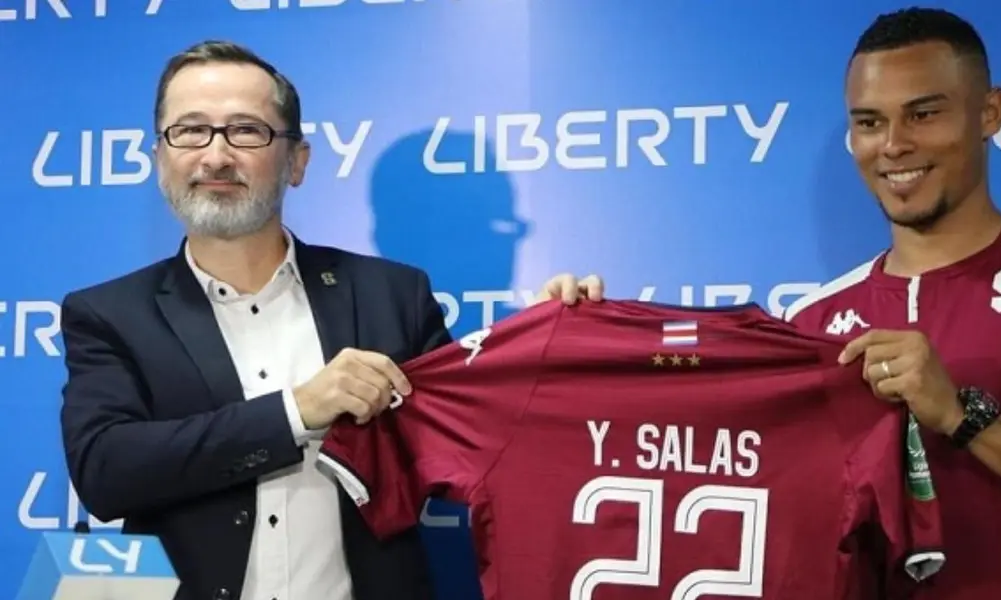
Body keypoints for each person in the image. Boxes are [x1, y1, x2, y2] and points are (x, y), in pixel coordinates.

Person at [568, 7, 1001, 599]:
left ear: (991, 113)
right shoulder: (813, 322)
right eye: (869, 122)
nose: (892, 144)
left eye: (924, 114)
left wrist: (964, 416)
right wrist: (577, 340)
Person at [57, 40, 600, 600]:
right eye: (190, 130)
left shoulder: (393, 294)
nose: (215, 155)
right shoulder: (109, 313)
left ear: (297, 162)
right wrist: (298, 411)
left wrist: (548, 346)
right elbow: (105, 470)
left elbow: (470, 445)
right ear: (159, 158)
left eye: (246, 131)